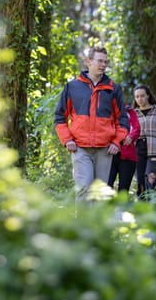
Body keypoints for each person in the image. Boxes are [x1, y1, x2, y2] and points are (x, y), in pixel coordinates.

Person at [54, 46, 129, 200]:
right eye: (99, 61)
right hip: (80, 147)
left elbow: (122, 119)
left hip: (105, 149)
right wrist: (67, 139)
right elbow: (60, 117)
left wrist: (116, 142)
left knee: (100, 193)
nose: (103, 65)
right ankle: (82, 224)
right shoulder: (72, 87)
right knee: (83, 189)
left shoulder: (113, 88)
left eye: (105, 62)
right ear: (88, 62)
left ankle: (98, 224)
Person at [108, 103, 141, 193]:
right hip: (109, 154)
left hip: (128, 156)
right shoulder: (105, 110)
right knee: (106, 188)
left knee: (123, 191)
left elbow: (136, 128)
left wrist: (131, 137)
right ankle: (106, 207)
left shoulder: (129, 111)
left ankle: (122, 207)